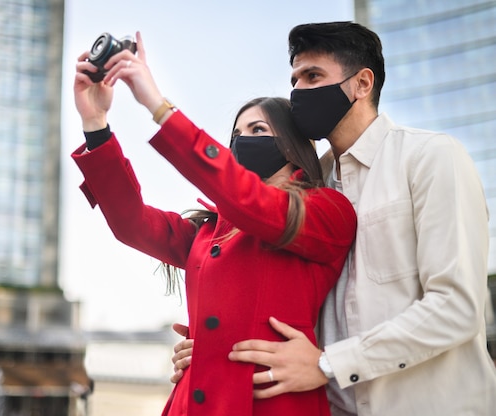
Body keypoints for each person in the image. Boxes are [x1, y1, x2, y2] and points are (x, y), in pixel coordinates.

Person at [172, 21, 496, 415]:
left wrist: (330, 364)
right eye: (295, 80)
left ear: (362, 84)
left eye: (313, 76)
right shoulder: (308, 188)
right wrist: (215, 346)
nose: (298, 92)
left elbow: (455, 307)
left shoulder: (431, 158)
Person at [71, 31, 357, 416]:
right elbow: (132, 224)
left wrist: (156, 104)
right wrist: (96, 122)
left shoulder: (327, 211)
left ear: (292, 145)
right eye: (236, 135)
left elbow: (248, 202)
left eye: (258, 131)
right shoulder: (207, 232)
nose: (242, 142)